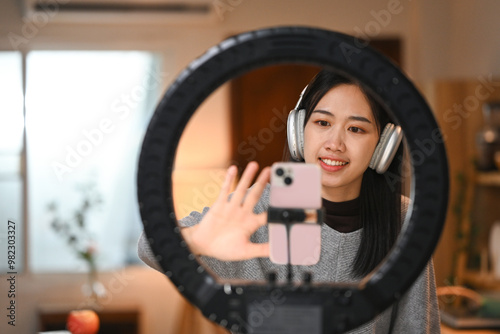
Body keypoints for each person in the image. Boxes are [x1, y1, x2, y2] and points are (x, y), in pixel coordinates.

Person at [137, 69, 441, 333]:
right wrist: (196, 241)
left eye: (356, 129)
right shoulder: (257, 210)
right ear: (299, 130)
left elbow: (417, 328)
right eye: (322, 123)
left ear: (383, 146)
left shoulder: (404, 221)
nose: (334, 144)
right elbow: (148, 246)